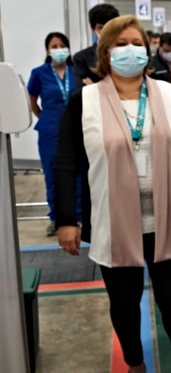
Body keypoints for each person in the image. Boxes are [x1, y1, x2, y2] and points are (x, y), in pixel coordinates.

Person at [54, 15, 171, 373]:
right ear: (106, 53)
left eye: (137, 43)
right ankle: (134, 361)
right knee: (124, 306)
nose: (131, 50)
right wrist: (67, 218)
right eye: (120, 44)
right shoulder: (85, 101)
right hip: (114, 224)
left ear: (148, 49)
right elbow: (66, 164)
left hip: (169, 223)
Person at [27, 32, 79, 236]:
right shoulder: (39, 73)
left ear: (68, 48)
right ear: (47, 50)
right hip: (50, 132)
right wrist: (43, 117)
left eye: (62, 45)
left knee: (78, 172)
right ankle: (56, 217)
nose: (59, 49)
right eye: (54, 46)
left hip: (76, 130)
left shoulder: (76, 72)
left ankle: (78, 215)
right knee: (52, 173)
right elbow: (31, 98)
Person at [72, 3, 119, 90]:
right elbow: (83, 91)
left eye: (109, 27)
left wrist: (95, 87)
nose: (106, 32)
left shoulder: (125, 51)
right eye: (101, 27)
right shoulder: (81, 58)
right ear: (93, 29)